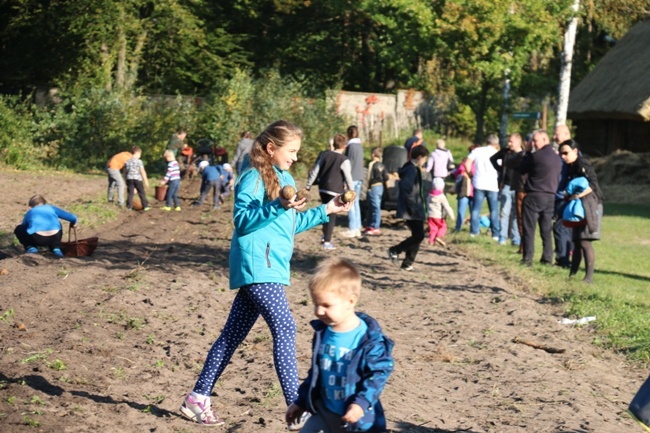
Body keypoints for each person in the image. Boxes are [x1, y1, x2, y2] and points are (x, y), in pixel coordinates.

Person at [179, 120, 353, 428]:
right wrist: (277, 205)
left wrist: (327, 209)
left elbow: (290, 225)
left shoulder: (283, 177)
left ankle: (198, 397)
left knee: (230, 337)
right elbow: (242, 220)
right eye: (292, 151)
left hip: (270, 266)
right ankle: (297, 409)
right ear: (271, 148)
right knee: (286, 328)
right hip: (259, 265)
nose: (296, 157)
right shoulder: (253, 177)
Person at [285, 257, 394, 433]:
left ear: (350, 301)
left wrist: (360, 404)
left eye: (326, 305)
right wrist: (301, 401)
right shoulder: (322, 332)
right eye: (316, 304)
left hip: (357, 420)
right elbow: (316, 373)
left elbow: (377, 375)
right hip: (324, 412)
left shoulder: (368, 340)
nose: (319, 311)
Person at [559, 139, 603, 283]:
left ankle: (588, 278)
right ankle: (572, 275)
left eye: (566, 153)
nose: (563, 156)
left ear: (575, 151)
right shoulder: (570, 167)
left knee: (584, 241)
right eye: (561, 154)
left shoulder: (583, 164)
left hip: (589, 205)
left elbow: (593, 184)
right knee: (577, 241)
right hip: (578, 206)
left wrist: (577, 195)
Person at [519, 130, 563, 266]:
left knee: (529, 228)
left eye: (535, 141)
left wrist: (527, 152)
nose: (533, 143)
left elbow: (521, 168)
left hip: (534, 194)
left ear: (545, 140)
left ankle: (528, 258)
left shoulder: (535, 156)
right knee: (546, 229)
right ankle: (547, 258)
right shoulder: (557, 158)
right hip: (550, 196)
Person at [305, 133, 354, 250]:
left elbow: (315, 171)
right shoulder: (344, 159)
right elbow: (348, 177)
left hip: (322, 188)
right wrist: (352, 192)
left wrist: (308, 185)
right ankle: (327, 241)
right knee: (332, 215)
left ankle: (324, 235)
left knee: (325, 210)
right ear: (345, 146)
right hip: (335, 190)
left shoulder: (325, 155)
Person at [387, 145, 429, 271]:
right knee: (419, 236)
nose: (425, 161)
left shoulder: (412, 168)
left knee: (417, 235)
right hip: (412, 209)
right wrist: (413, 206)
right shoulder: (411, 170)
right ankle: (395, 250)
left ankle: (408, 263)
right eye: (425, 158)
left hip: (414, 207)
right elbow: (406, 188)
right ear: (420, 157)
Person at [490, 133, 524, 246]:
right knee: (504, 212)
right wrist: (500, 169)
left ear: (518, 142)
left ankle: (516, 238)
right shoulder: (505, 152)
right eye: (509, 141)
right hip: (507, 185)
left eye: (511, 142)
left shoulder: (524, 154)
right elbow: (493, 159)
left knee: (516, 213)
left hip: (519, 187)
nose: (509, 144)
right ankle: (502, 237)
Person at [465, 134, 500, 239]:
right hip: (492, 184)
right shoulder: (497, 153)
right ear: (496, 144)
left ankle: (474, 231)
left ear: (487, 141)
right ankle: (495, 234)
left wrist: (471, 174)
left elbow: (467, 163)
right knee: (493, 210)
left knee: (476, 209)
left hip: (479, 182)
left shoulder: (477, 151)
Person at [553, 124, 574, 267]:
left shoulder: (571, 154)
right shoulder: (561, 154)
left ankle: (563, 260)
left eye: (557, 134)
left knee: (560, 228)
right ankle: (565, 255)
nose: (554, 137)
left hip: (565, 197)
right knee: (564, 228)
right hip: (559, 195)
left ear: (566, 134)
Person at [341, 125, 364, 238]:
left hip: (352, 178)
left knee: (350, 204)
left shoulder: (350, 146)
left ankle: (352, 228)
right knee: (356, 204)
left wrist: (345, 179)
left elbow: (347, 163)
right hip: (359, 177)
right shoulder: (359, 145)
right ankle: (358, 227)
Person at [451, 144, 477, 232]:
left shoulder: (464, 162)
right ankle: (474, 230)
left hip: (464, 190)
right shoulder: (478, 164)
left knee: (461, 211)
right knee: (474, 211)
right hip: (474, 190)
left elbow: (457, 173)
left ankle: (458, 228)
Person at [363, 147, 388, 236]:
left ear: (373, 155)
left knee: (374, 207)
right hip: (380, 187)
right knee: (376, 206)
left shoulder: (371, 164)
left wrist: (367, 187)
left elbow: (369, 177)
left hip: (373, 186)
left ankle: (375, 226)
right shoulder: (382, 165)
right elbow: (386, 177)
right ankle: (372, 225)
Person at [426, 177, 455, 247]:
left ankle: (431, 241)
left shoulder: (429, 195)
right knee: (443, 226)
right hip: (438, 216)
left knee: (433, 229)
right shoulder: (442, 196)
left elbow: (427, 204)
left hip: (430, 215)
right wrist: (452, 215)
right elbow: (447, 206)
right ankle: (439, 236)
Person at [125, 146, 150, 211]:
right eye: (140, 154)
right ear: (137, 153)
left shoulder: (127, 161)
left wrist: (125, 179)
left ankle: (129, 207)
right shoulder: (139, 161)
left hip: (129, 179)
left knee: (130, 193)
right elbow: (142, 171)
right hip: (137, 179)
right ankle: (145, 206)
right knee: (141, 192)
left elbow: (125, 172)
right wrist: (146, 180)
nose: (140, 156)